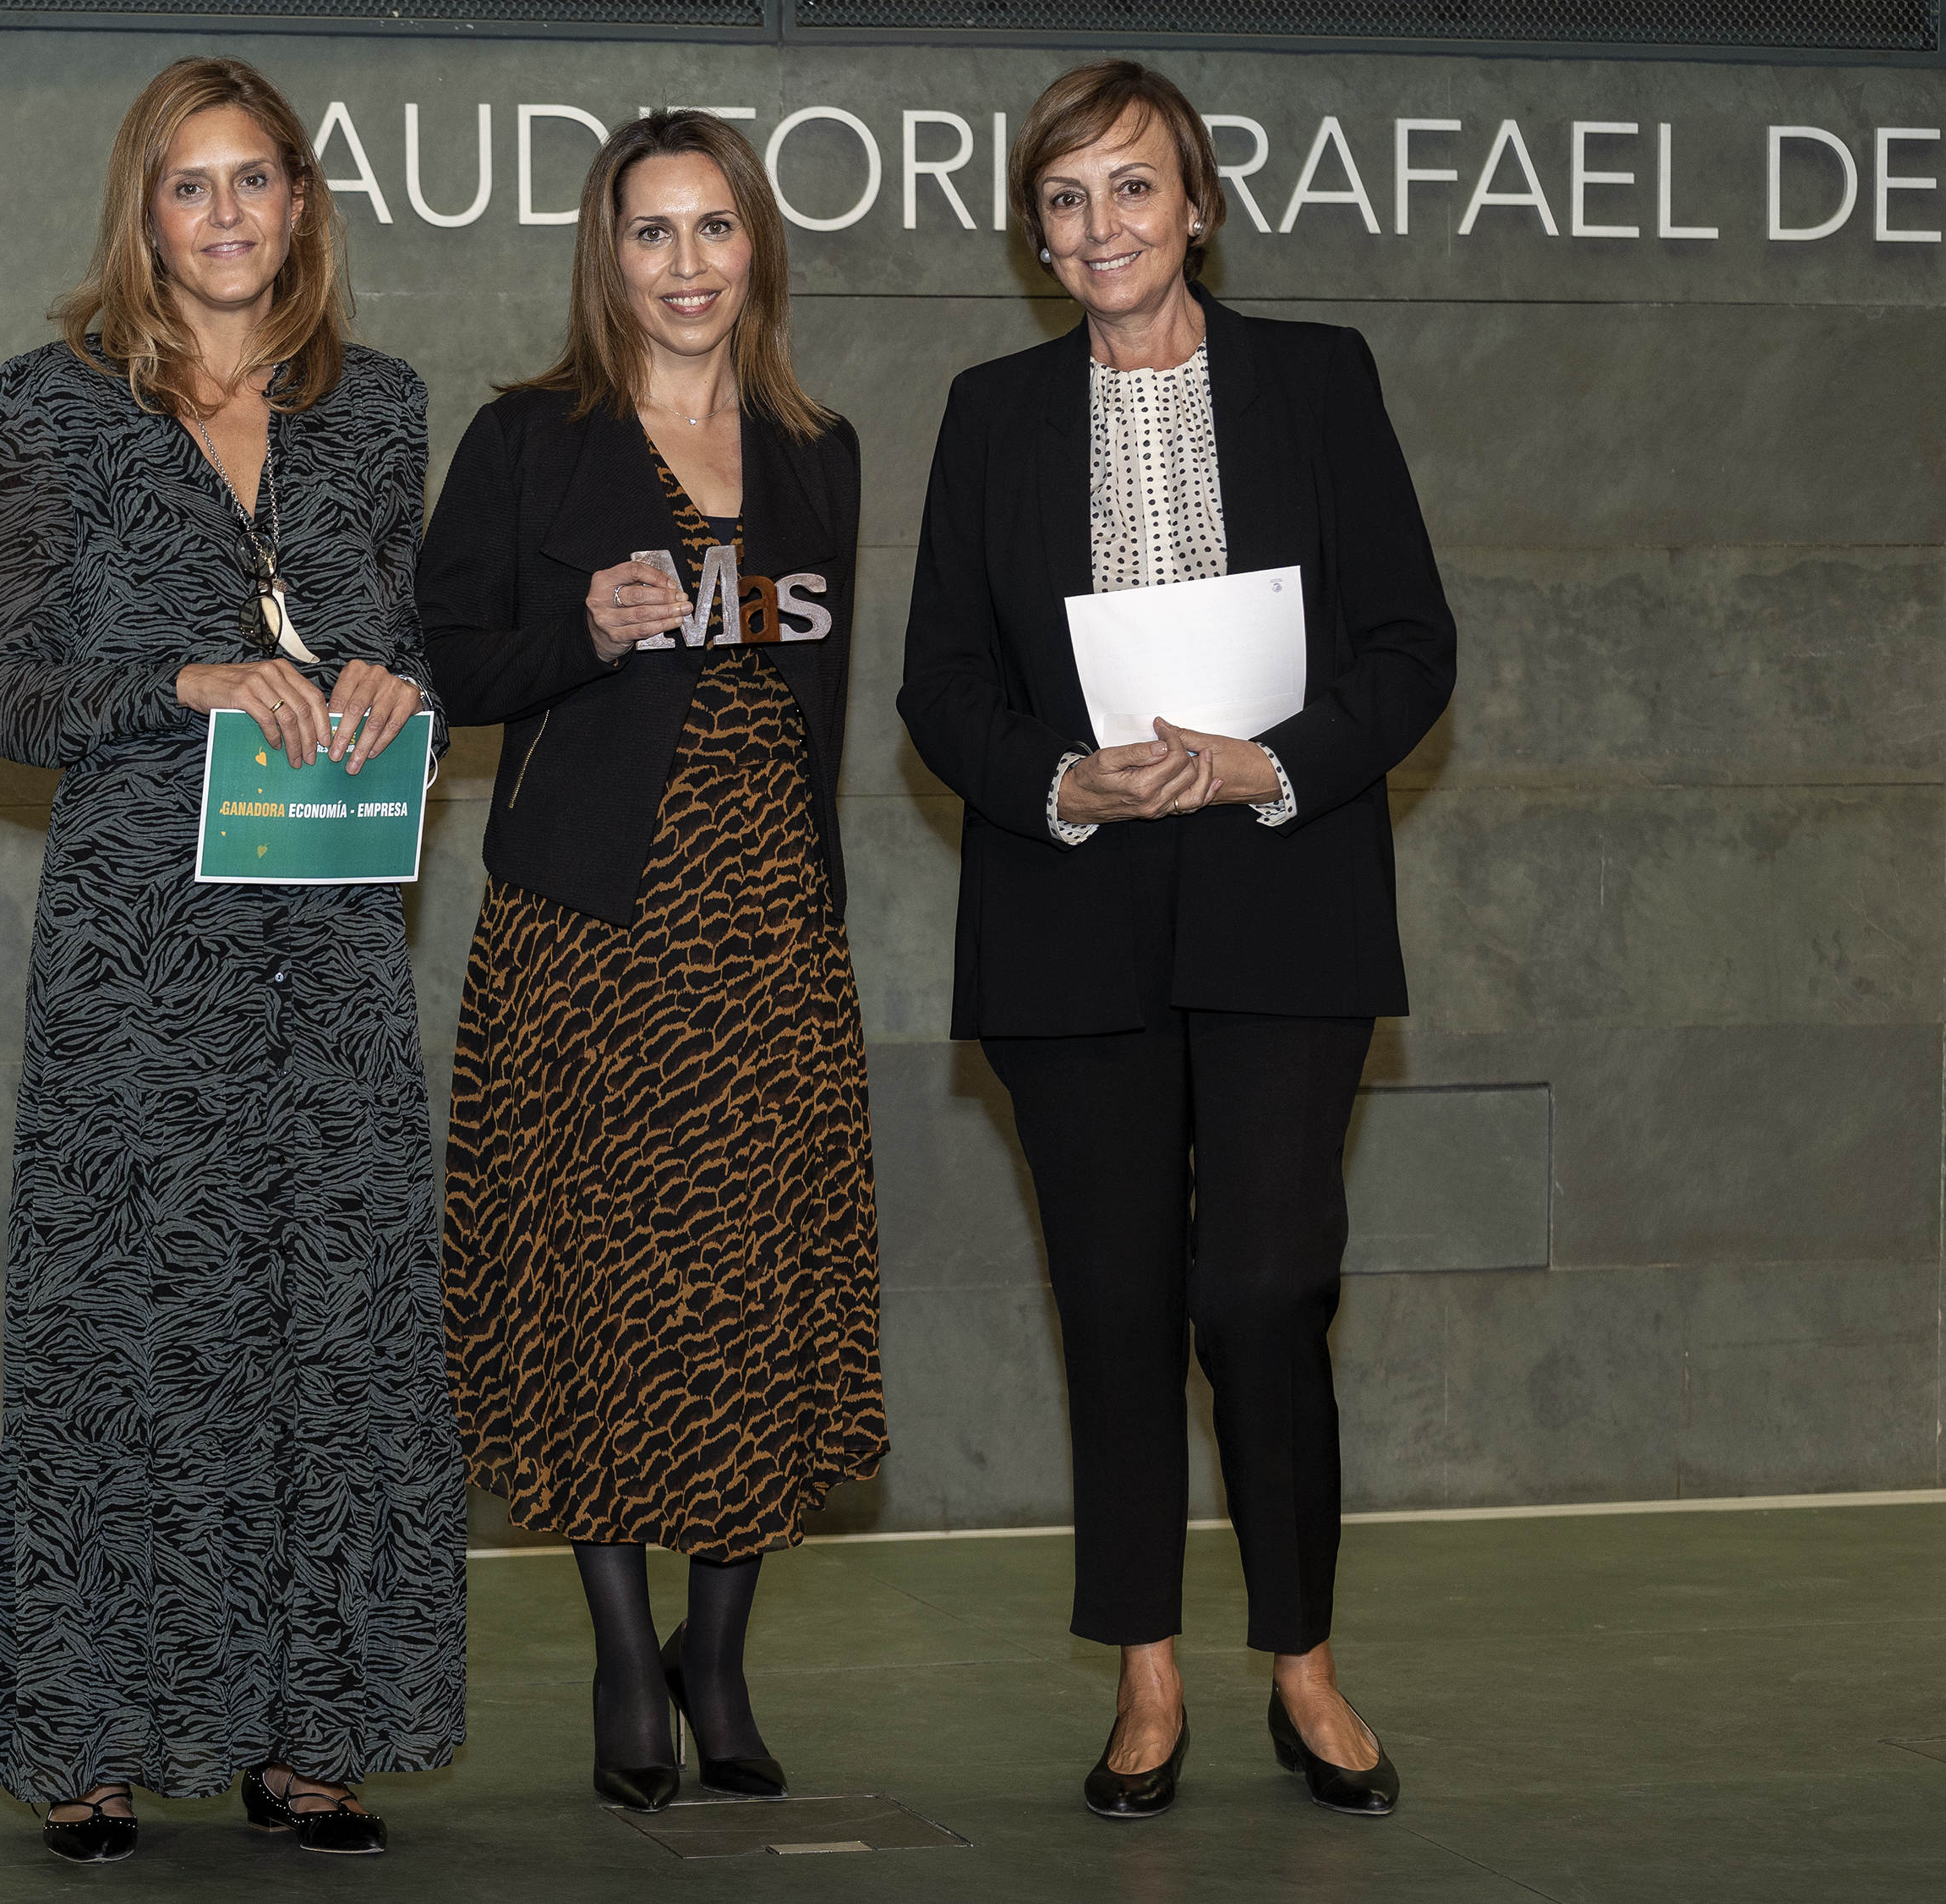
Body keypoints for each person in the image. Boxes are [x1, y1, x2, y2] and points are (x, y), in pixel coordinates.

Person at [897, 59, 1457, 1821]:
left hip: (1282, 903)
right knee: (1117, 1298)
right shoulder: (988, 413)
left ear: (1195, 204)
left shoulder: (1314, 380)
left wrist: (1261, 761)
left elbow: (1406, 644)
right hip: (1071, 920)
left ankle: (1298, 1654)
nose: (1099, 227)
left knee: (1263, 1283)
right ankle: (1143, 1672)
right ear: (1032, 234)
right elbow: (937, 689)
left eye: (1130, 189)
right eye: (1063, 199)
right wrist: (1060, 779)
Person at [0, 55, 460, 1863]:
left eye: (257, 180)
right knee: (130, 1332)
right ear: (143, 213)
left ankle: (307, 1743)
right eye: (192, 185)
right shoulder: (53, 407)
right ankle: (97, 1744)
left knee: (330, 1331)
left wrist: (406, 691)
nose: (228, 213)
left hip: (326, 948)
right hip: (135, 957)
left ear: (302, 206)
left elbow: (397, 647)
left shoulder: (378, 408)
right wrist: (180, 685)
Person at [419, 109, 881, 1815]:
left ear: (755, 246)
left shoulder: (816, 447)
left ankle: (719, 1654)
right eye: (649, 233)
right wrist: (581, 635)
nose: (684, 264)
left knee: (751, 1290)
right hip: (583, 928)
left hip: (765, 926)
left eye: (713, 229)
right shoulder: (530, 441)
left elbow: (814, 689)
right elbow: (446, 658)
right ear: (603, 256)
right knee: (600, 1291)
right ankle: (625, 1660)